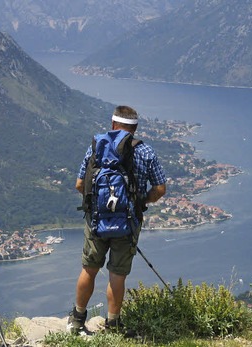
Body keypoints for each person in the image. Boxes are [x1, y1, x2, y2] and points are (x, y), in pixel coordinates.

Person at [69, 105, 167, 335]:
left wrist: (98, 205)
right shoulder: (145, 152)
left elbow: (80, 185)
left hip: (96, 221)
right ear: (135, 129)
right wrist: (140, 201)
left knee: (90, 268)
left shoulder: (97, 147)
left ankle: (77, 320)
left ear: (113, 125)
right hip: (127, 223)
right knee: (117, 274)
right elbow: (160, 188)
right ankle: (113, 325)